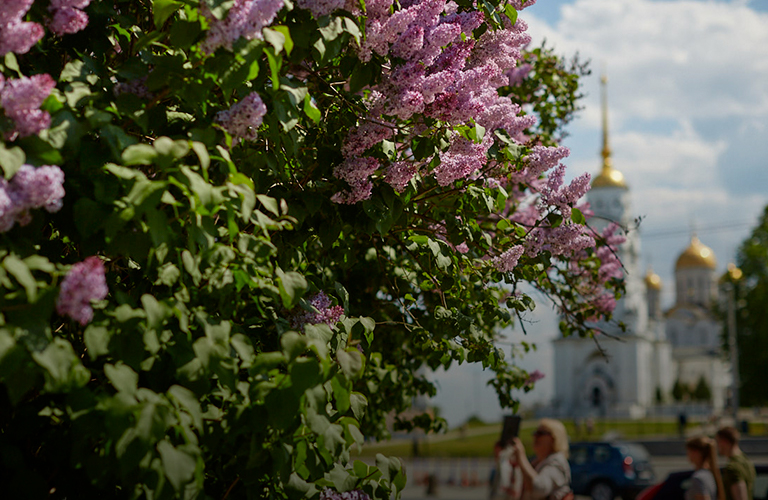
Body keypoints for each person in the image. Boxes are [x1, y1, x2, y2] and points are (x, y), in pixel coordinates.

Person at [512, 418, 572, 500]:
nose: (535, 436)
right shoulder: (538, 462)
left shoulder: (557, 462)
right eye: (535, 432)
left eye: (540, 433)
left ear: (554, 438)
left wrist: (521, 457)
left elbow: (538, 489)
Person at [715, 426, 756, 500]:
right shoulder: (746, 461)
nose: (717, 446)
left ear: (724, 442)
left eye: (718, 442)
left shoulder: (733, 467)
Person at [685, 436, 725, 500]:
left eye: (689, 451)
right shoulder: (709, 474)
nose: (688, 454)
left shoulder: (698, 478)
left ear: (696, 453)